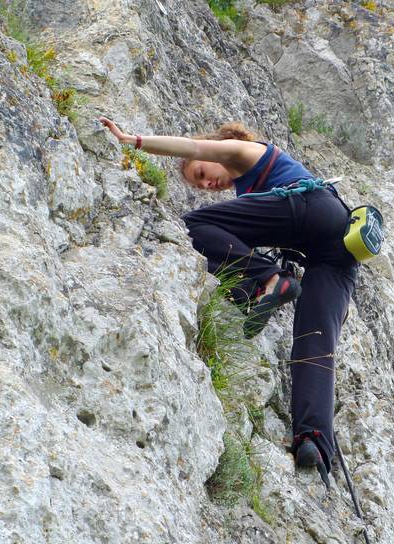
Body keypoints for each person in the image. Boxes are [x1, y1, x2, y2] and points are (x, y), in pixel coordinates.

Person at [99, 117, 358, 489]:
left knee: (190, 226)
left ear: (219, 150)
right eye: (200, 184)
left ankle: (266, 281)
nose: (206, 183)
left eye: (202, 174)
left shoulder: (245, 152)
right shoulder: (252, 191)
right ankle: (313, 441)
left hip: (308, 208)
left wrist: (133, 140)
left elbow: (191, 147)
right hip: (338, 249)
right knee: (315, 339)